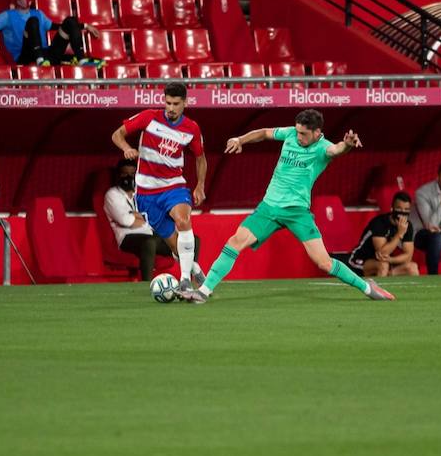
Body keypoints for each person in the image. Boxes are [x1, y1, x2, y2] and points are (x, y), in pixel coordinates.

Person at [177, 110, 395, 303]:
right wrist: (240, 139)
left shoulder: (323, 147)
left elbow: (337, 150)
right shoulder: (290, 133)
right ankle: (204, 291)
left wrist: (347, 144)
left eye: (303, 134)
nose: (298, 136)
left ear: (317, 133)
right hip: (268, 208)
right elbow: (263, 133)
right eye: (297, 132)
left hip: (297, 212)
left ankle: (367, 288)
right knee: (235, 241)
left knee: (324, 263)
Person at [111, 82, 206, 290]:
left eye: (176, 104)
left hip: (174, 186)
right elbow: (117, 135)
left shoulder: (191, 128)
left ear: (185, 103)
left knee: (183, 220)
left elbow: (200, 158)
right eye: (168, 103)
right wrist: (126, 148)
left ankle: (185, 282)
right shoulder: (148, 117)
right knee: (174, 245)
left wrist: (200, 186)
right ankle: (194, 268)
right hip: (146, 193)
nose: (171, 108)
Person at [103, 159, 200, 281]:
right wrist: (147, 216)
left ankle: (190, 280)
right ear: (118, 175)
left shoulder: (143, 194)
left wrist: (138, 215)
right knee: (149, 242)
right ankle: (147, 283)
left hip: (152, 234)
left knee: (192, 240)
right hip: (127, 237)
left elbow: (156, 216)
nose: (128, 177)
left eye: (132, 174)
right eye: (124, 173)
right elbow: (127, 221)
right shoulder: (112, 194)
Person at [347, 191, 420, 277]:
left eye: (406, 210)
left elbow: (408, 257)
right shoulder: (379, 223)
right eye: (399, 209)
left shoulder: (407, 225)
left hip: (386, 261)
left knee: (412, 267)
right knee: (383, 266)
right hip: (361, 259)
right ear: (392, 208)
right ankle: (379, 290)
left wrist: (391, 260)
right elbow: (382, 253)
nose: (402, 213)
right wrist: (399, 234)